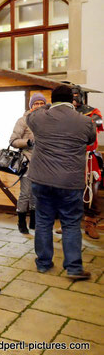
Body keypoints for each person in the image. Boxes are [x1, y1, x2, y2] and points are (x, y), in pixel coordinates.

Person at [27, 85, 96, 280]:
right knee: (71, 223)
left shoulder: (39, 118)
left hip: (41, 180)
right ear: (73, 100)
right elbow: (91, 139)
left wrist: (48, 105)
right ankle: (74, 267)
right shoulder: (85, 121)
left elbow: (30, 115)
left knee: (43, 221)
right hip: (70, 182)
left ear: (52, 99)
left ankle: (43, 264)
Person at [9, 93, 46, 234]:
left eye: (42, 103)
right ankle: (21, 222)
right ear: (31, 106)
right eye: (36, 104)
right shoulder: (23, 120)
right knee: (25, 193)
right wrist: (28, 142)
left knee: (37, 194)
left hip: (43, 164)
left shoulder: (48, 121)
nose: (39, 106)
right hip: (27, 162)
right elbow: (12, 141)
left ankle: (34, 222)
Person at [72, 85, 103, 239]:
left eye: (76, 95)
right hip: (71, 158)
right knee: (72, 192)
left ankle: (90, 223)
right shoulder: (66, 114)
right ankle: (71, 224)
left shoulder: (93, 112)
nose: (74, 98)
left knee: (92, 191)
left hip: (89, 158)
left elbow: (95, 127)